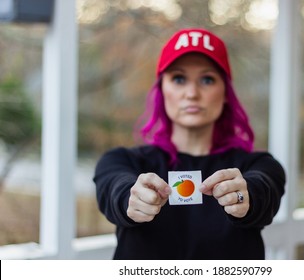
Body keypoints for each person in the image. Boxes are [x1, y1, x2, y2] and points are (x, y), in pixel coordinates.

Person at [93, 28, 286, 260]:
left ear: (225, 92)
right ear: (161, 91)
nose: (192, 93)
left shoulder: (259, 165)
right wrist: (129, 198)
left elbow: (264, 188)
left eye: (207, 79)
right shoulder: (121, 161)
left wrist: (247, 196)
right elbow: (114, 186)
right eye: (179, 79)